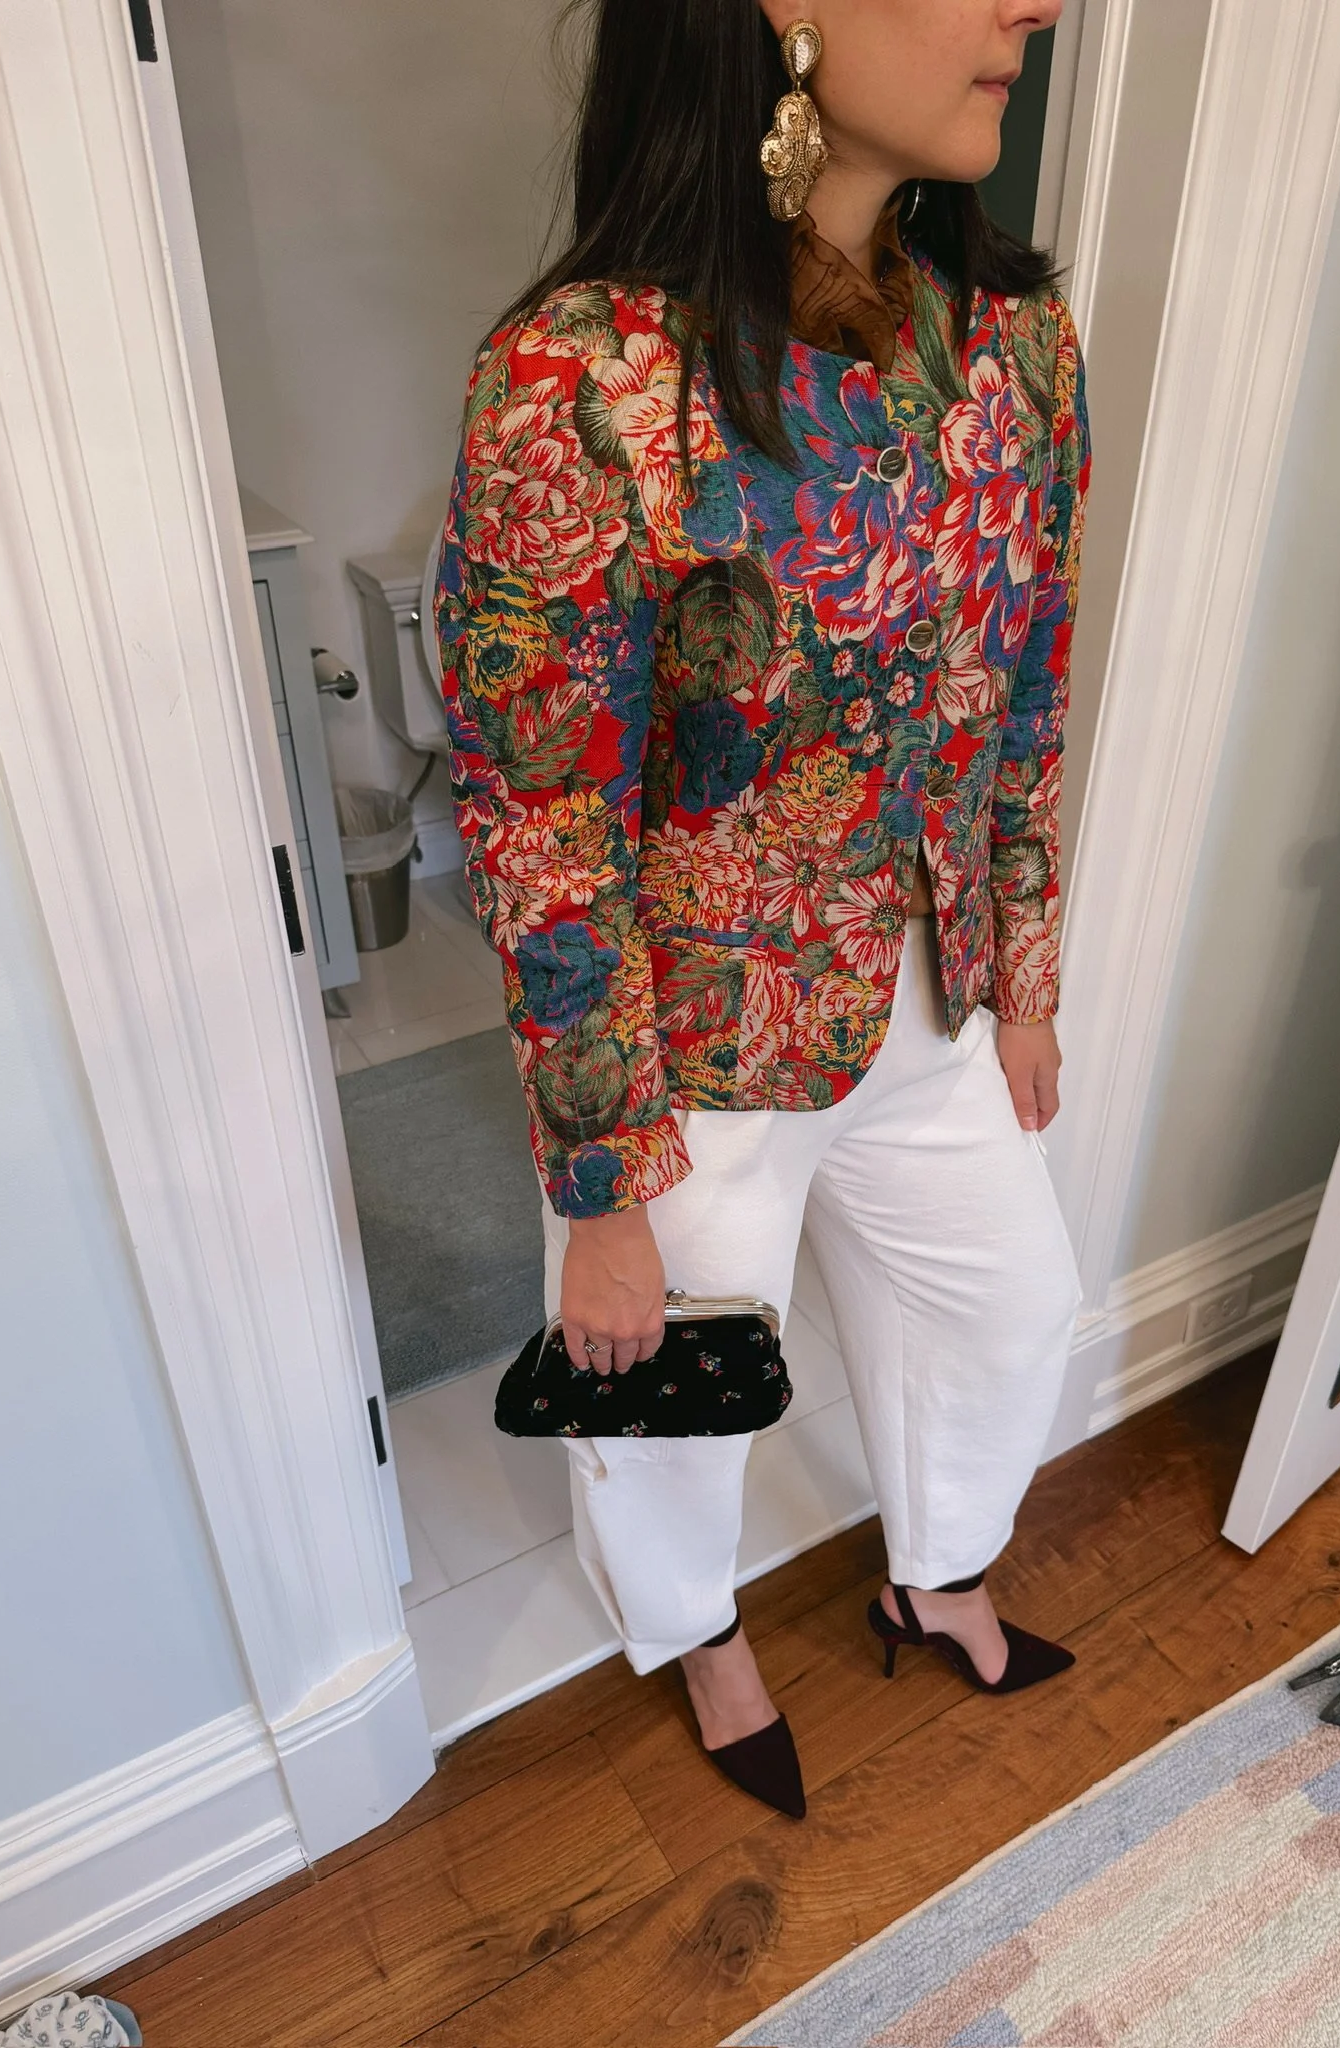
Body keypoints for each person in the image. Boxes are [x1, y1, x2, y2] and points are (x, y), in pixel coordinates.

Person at [436, 0, 1086, 1820]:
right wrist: (601, 1186)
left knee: (1014, 1304)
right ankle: (702, 1637)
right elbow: (541, 813)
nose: (1030, 6)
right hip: (697, 1041)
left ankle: (934, 1567)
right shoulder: (582, 377)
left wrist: (1021, 964)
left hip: (932, 991)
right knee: (676, 1408)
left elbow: (1026, 680)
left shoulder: (1016, 339)